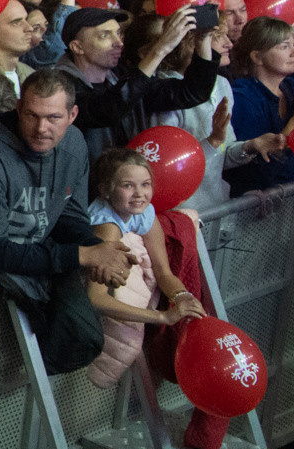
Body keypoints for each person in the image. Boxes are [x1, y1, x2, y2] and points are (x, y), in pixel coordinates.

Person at [0, 70, 133, 374]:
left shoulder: (74, 143)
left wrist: (101, 250)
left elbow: (69, 215)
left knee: (85, 338)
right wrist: (83, 255)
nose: (41, 128)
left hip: (43, 256)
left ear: (72, 114)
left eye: (53, 117)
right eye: (31, 115)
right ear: (18, 108)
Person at [79, 149, 206, 390]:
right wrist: (161, 317)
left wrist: (183, 298)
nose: (140, 194)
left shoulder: (145, 211)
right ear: (106, 190)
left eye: (145, 184)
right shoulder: (107, 228)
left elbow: (164, 272)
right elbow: (95, 298)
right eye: (128, 185)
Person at [55, 6, 224, 156]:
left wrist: (203, 39)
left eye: (119, 33)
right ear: (77, 47)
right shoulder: (59, 86)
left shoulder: (121, 76)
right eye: (105, 35)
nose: (118, 42)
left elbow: (191, 93)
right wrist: (160, 48)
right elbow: (107, 109)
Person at [226, 18, 294, 194]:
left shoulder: (292, 87)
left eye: (293, 44)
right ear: (257, 57)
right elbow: (257, 172)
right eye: (284, 47)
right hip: (254, 205)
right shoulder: (242, 97)